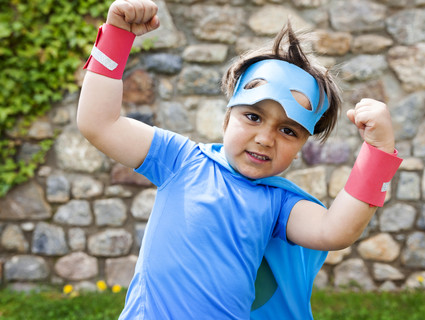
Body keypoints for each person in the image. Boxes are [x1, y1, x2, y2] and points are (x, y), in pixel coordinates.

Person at [77, 0, 402, 319]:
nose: (265, 138)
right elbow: (100, 124)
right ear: (226, 118)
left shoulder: (278, 204)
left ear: (303, 144)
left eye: (288, 131)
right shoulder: (181, 160)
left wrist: (378, 153)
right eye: (253, 116)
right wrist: (117, 37)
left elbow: (335, 231)